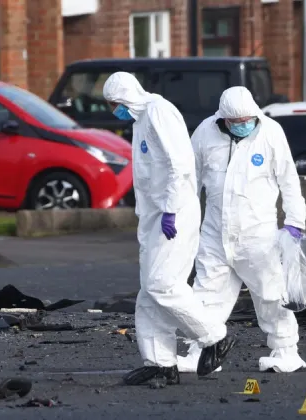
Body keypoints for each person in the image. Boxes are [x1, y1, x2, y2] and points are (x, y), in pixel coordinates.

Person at [102, 72, 236, 387]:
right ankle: (161, 362)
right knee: (149, 292)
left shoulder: (158, 111)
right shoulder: (140, 120)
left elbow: (180, 164)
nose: (114, 111)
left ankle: (214, 336)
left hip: (173, 214)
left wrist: (172, 210)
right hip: (154, 216)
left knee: (163, 285)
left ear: (127, 96)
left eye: (115, 104)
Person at [178, 86, 306, 373]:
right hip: (214, 232)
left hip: (259, 235)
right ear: (222, 118)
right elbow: (189, 180)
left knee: (271, 294)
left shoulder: (270, 133)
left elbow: (289, 180)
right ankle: (201, 352)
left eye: (247, 120)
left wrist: (295, 223)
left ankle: (286, 351)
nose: (242, 126)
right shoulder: (204, 133)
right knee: (205, 293)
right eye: (235, 122)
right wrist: (180, 217)